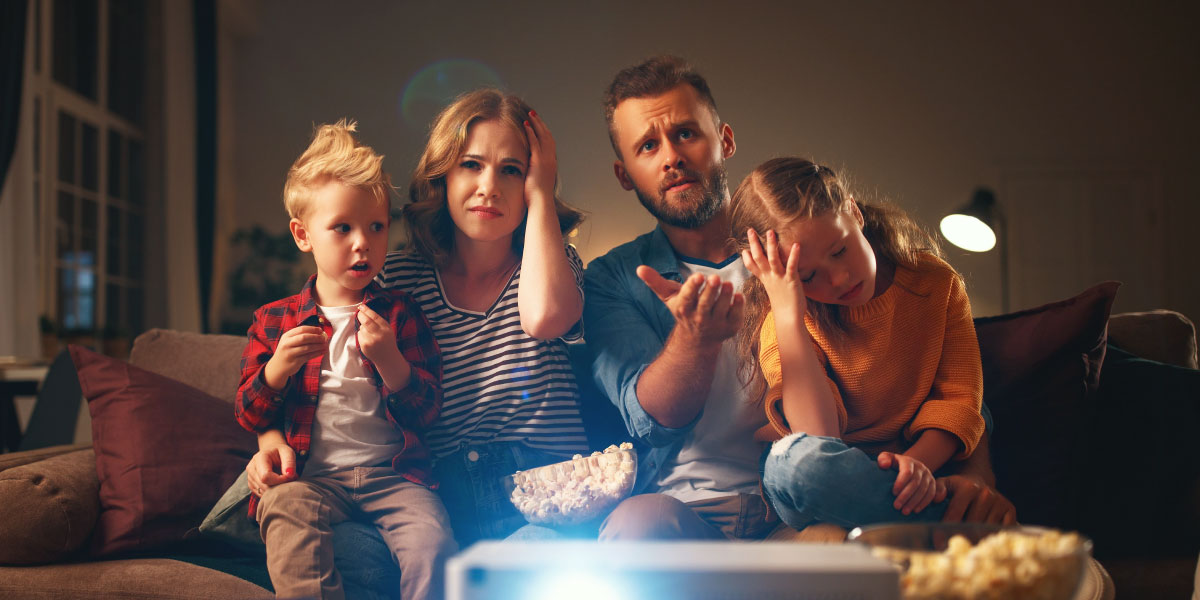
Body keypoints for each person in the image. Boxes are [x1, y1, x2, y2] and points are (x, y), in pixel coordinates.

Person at [585, 55, 1015, 542]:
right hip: (687, 506)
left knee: (825, 530)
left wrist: (976, 476)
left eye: (686, 133)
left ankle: (938, 533)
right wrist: (695, 336)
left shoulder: (809, 255)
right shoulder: (615, 279)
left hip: (799, 509)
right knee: (634, 530)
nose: (672, 157)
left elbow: (938, 375)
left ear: (724, 140)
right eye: (647, 146)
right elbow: (653, 420)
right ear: (625, 175)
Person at [235, 120, 456, 600]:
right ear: (302, 235)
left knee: (433, 543)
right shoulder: (274, 322)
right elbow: (249, 412)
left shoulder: (400, 313)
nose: (364, 242)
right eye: (343, 227)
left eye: (377, 226)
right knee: (284, 511)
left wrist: (391, 360)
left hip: (394, 477)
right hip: (314, 479)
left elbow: (428, 410)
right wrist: (276, 370)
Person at [731, 156, 1005, 530]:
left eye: (840, 250)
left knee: (982, 411)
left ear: (854, 213)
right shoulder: (782, 321)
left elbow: (960, 400)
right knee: (796, 463)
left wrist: (916, 466)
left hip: (913, 459)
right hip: (827, 475)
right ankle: (944, 521)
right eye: (809, 275)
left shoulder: (935, 283)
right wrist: (788, 312)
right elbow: (819, 436)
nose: (840, 278)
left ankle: (911, 513)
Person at [376, 88, 591, 547]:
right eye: (471, 165)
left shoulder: (555, 263)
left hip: (550, 497)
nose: (489, 187)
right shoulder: (398, 279)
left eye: (511, 170)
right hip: (439, 498)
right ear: (443, 177)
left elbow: (546, 318)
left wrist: (542, 192)